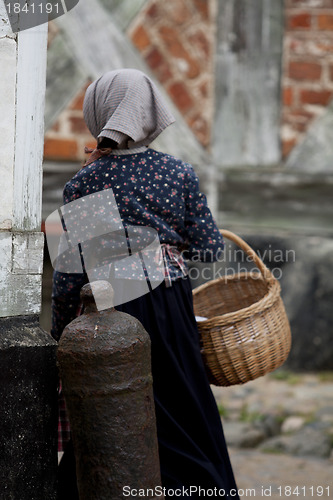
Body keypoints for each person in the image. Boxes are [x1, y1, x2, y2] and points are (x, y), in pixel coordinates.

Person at [51, 68, 239, 499]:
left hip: (111, 310)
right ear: (151, 112)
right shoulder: (179, 174)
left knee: (110, 410)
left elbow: (72, 275)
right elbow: (210, 249)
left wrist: (63, 334)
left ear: (99, 113)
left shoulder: (85, 183)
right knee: (184, 410)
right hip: (171, 310)